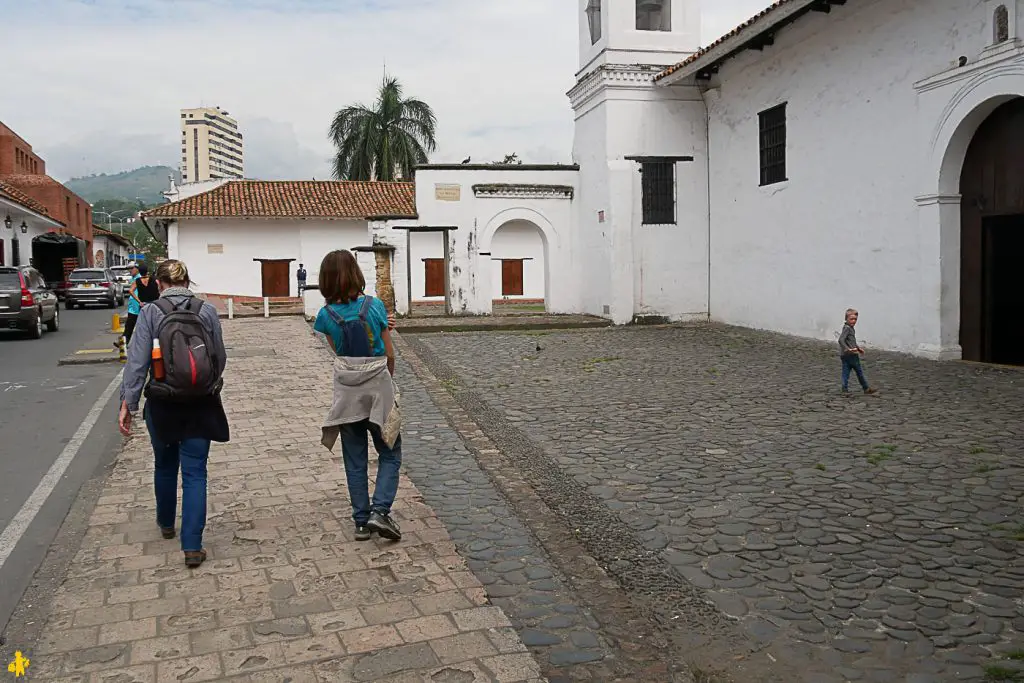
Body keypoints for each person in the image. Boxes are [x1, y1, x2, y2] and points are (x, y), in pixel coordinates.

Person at [118, 259, 229, 568]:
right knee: (195, 472)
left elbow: (137, 362)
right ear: (187, 281)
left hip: (163, 401)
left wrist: (129, 403)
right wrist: (207, 382)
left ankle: (167, 523)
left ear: (160, 283)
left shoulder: (150, 312)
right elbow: (219, 357)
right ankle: (192, 546)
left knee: (165, 464)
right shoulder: (205, 310)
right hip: (200, 402)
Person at [315, 250, 402, 542]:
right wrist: (387, 378)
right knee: (389, 451)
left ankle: (361, 522)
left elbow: (338, 352)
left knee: (354, 459)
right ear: (356, 274)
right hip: (378, 388)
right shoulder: (375, 306)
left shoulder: (325, 316)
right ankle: (381, 510)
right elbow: (389, 353)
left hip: (348, 395)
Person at [838, 308, 877, 395]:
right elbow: (841, 340)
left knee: (848, 372)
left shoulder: (850, 328)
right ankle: (865, 388)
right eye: (851, 319)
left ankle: (846, 388)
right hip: (850, 355)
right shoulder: (847, 329)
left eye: (855, 319)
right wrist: (847, 349)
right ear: (846, 319)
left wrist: (858, 348)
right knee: (857, 372)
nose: (854, 321)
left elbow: (851, 341)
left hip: (848, 354)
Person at [123, 263, 160, 344]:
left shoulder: (137, 281)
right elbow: (160, 288)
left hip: (143, 306)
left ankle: (143, 342)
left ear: (139, 271)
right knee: (154, 324)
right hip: (154, 305)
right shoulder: (154, 279)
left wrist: (139, 301)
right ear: (147, 271)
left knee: (143, 325)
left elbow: (130, 290)